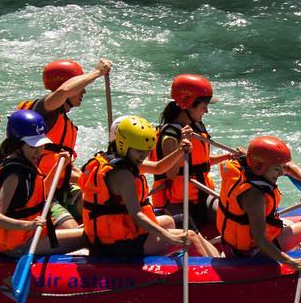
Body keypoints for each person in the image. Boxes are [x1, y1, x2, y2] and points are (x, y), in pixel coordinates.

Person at [78, 115, 219, 259]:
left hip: (120, 233)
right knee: (189, 236)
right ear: (123, 144)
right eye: (139, 151)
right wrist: (170, 238)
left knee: (176, 221)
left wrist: (179, 151)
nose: (144, 155)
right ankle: (217, 274)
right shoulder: (123, 175)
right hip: (116, 245)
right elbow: (137, 215)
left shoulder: (120, 160)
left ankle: (218, 262)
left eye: (147, 150)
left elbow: (158, 168)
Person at [0, 110, 87, 257]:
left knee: (90, 228)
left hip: (26, 235)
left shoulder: (24, 163)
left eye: (41, 145)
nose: (38, 151)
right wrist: (30, 225)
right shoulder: (13, 174)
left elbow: (41, 192)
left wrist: (58, 167)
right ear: (17, 144)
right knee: (88, 236)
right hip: (18, 245)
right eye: (32, 146)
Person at [17, 58, 112, 228]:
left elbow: (67, 169)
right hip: (39, 191)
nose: (84, 92)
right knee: (72, 230)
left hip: (62, 188)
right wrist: (97, 72)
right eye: (81, 88)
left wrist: (97, 179)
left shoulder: (64, 122)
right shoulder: (43, 110)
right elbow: (63, 92)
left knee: (102, 207)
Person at [216, 136, 301, 270]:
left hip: (232, 244)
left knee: (288, 223)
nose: (282, 173)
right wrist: (290, 262)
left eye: (281, 168)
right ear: (260, 167)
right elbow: (260, 239)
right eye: (277, 169)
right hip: (251, 252)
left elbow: (288, 165)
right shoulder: (255, 196)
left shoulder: (248, 165)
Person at [150, 74, 237, 231]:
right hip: (177, 201)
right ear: (187, 105)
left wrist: (228, 156)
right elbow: (171, 173)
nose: (207, 111)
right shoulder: (170, 135)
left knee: (232, 217)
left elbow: (199, 164)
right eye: (204, 106)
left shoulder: (195, 127)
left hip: (203, 196)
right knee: (187, 229)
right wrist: (180, 146)